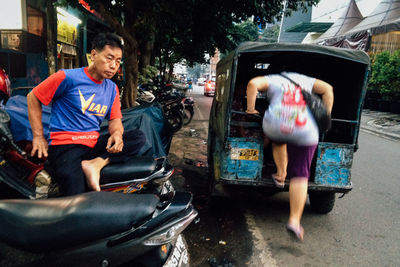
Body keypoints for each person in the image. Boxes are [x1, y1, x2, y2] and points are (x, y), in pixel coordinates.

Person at [27, 33, 146, 196]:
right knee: (76, 196)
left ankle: (96, 164)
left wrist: (117, 134)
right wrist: (38, 136)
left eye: (118, 61)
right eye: (109, 58)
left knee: (138, 137)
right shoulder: (68, 77)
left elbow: (115, 119)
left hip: (92, 143)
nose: (113, 66)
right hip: (66, 146)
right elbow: (33, 97)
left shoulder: (111, 88)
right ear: (94, 55)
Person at [246, 72, 333, 241]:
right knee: (301, 175)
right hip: (305, 128)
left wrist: (251, 108)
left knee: (278, 139)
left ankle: (280, 174)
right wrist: (325, 116)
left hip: (275, 125)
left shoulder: (273, 79)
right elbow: (328, 89)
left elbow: (252, 84)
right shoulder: (308, 80)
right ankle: (294, 220)